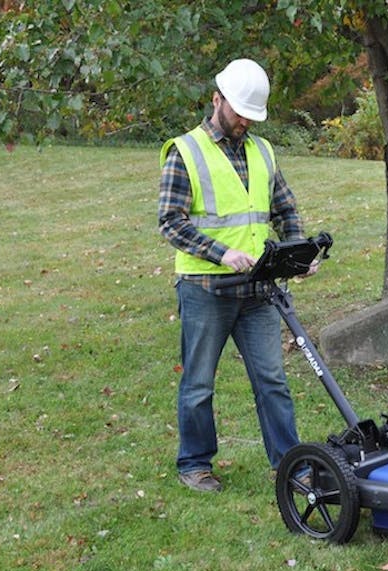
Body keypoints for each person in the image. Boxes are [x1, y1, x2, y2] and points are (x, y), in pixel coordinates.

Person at [158, 59, 313, 492]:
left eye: (251, 115)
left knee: (273, 381)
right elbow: (170, 222)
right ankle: (194, 463)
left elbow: (284, 208)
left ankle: (289, 465)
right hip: (205, 290)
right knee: (199, 383)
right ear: (217, 99)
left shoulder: (262, 151)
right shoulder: (185, 152)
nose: (245, 120)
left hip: (258, 290)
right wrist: (221, 253)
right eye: (239, 112)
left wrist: (297, 255)